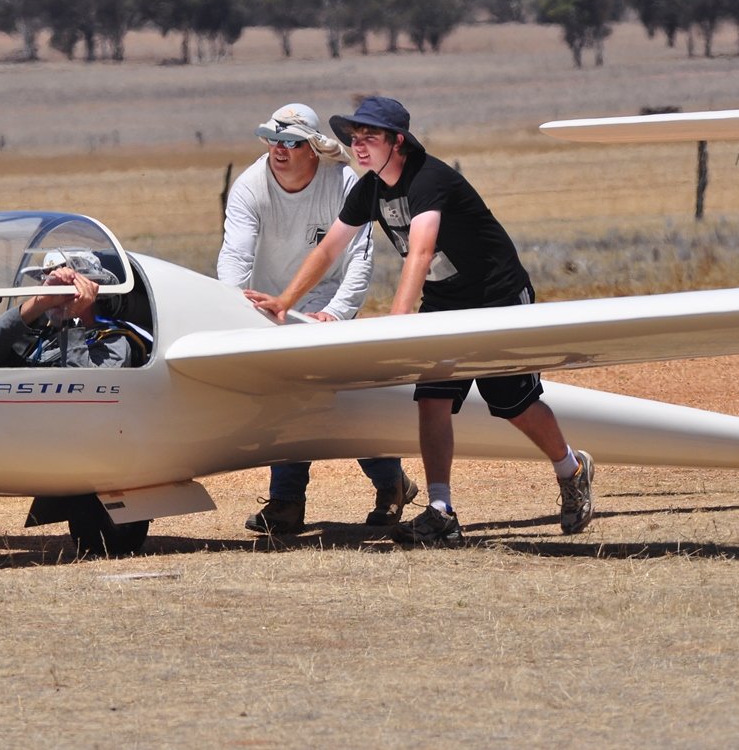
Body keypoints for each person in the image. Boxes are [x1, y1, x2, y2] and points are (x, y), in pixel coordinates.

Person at [247, 96, 594, 547]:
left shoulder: (430, 180)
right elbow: (330, 247)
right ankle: (441, 511)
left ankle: (572, 469)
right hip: (446, 301)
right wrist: (284, 301)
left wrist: (398, 322)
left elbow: (421, 251)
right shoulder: (370, 188)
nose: (359, 147)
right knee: (432, 401)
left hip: (497, 299)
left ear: (398, 141)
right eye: (354, 139)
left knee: (512, 403)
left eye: (369, 138)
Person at [218, 102, 416, 536]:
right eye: (272, 139)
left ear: (314, 148)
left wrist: (335, 313)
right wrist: (235, 308)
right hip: (271, 307)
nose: (279, 149)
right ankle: (287, 504)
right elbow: (235, 255)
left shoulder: (343, 183)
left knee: (345, 400)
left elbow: (359, 261)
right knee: (287, 398)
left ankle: (390, 486)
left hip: (329, 305)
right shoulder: (250, 186)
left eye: (290, 142)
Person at [0, 250, 145, 369]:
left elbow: (83, 392)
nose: (55, 292)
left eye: (64, 286)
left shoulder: (114, 343)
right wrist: (39, 302)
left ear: (89, 289)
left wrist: (70, 318)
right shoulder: (41, 337)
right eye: (49, 282)